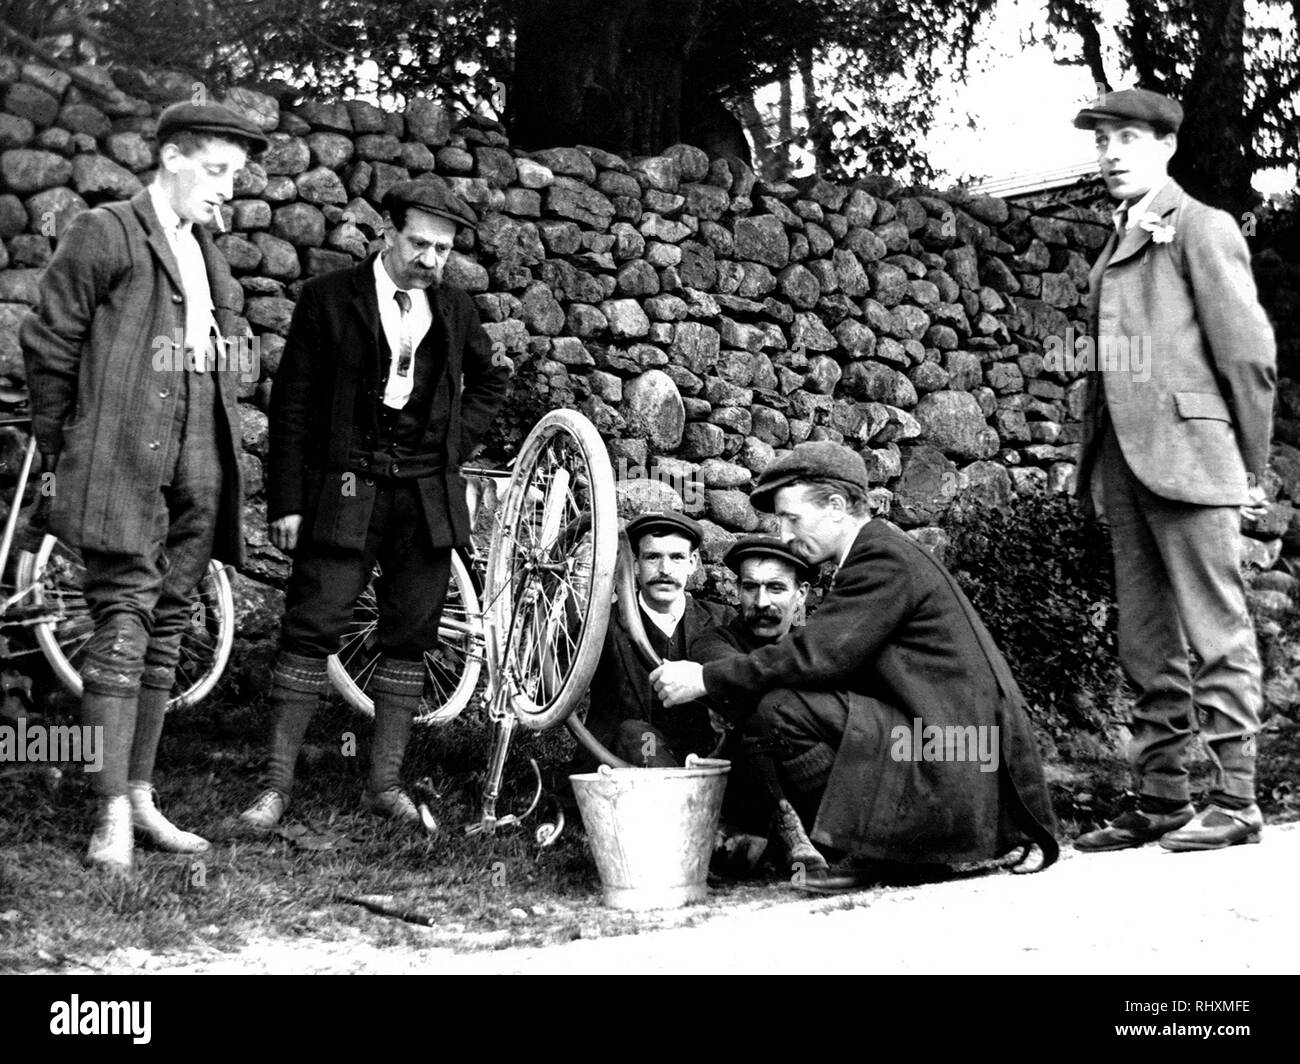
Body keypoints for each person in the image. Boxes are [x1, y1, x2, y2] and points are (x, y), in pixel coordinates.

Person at [21, 102, 267, 873]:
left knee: (167, 628)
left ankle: (140, 796)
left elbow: (219, 360)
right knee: (121, 626)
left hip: (200, 458)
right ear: (170, 157)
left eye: (236, 176)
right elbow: (50, 341)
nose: (229, 190)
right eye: (218, 172)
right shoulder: (108, 231)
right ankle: (107, 816)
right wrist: (68, 445)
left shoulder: (208, 254)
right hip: (123, 452)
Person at [651, 441, 1059, 891]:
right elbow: (834, 662)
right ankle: (891, 851)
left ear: (837, 506)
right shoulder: (880, 552)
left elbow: (815, 656)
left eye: (792, 518)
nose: (785, 535)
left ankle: (887, 851)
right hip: (954, 746)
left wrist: (705, 678)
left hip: (952, 753)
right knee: (786, 705)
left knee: (782, 711)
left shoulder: (880, 560)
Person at [239, 177, 510, 830]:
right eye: (420, 243)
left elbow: (492, 378)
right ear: (388, 233)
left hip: (425, 494)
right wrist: (289, 501)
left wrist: (452, 442)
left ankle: (384, 784)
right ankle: (274, 789)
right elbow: (294, 404)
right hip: (348, 487)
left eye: (443, 250)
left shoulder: (455, 309)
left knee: (411, 633)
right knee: (313, 623)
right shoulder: (330, 301)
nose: (430, 260)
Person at [1070, 89, 1276, 852]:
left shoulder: (1202, 227)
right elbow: (1104, 372)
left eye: (1128, 138)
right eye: (1103, 141)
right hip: (1126, 464)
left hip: (1195, 457)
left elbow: (1249, 357)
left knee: (1216, 630)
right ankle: (1161, 797)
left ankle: (1237, 797)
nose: (1113, 153)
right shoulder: (1119, 238)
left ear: (1166, 147)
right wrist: (1089, 466)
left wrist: (1245, 464)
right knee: (1144, 639)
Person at [690, 534, 812, 873]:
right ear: (737, 590)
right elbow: (727, 676)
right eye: (750, 587)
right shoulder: (715, 640)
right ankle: (777, 836)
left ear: (800, 595)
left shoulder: (814, 644)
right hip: (745, 787)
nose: (761, 602)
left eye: (775, 588)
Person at [574, 510, 731, 770]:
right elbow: (554, 686)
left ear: (693, 563)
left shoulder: (721, 619)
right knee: (639, 735)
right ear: (635, 564)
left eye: (677, 557)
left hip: (700, 762)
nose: (664, 569)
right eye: (652, 557)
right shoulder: (601, 623)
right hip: (623, 760)